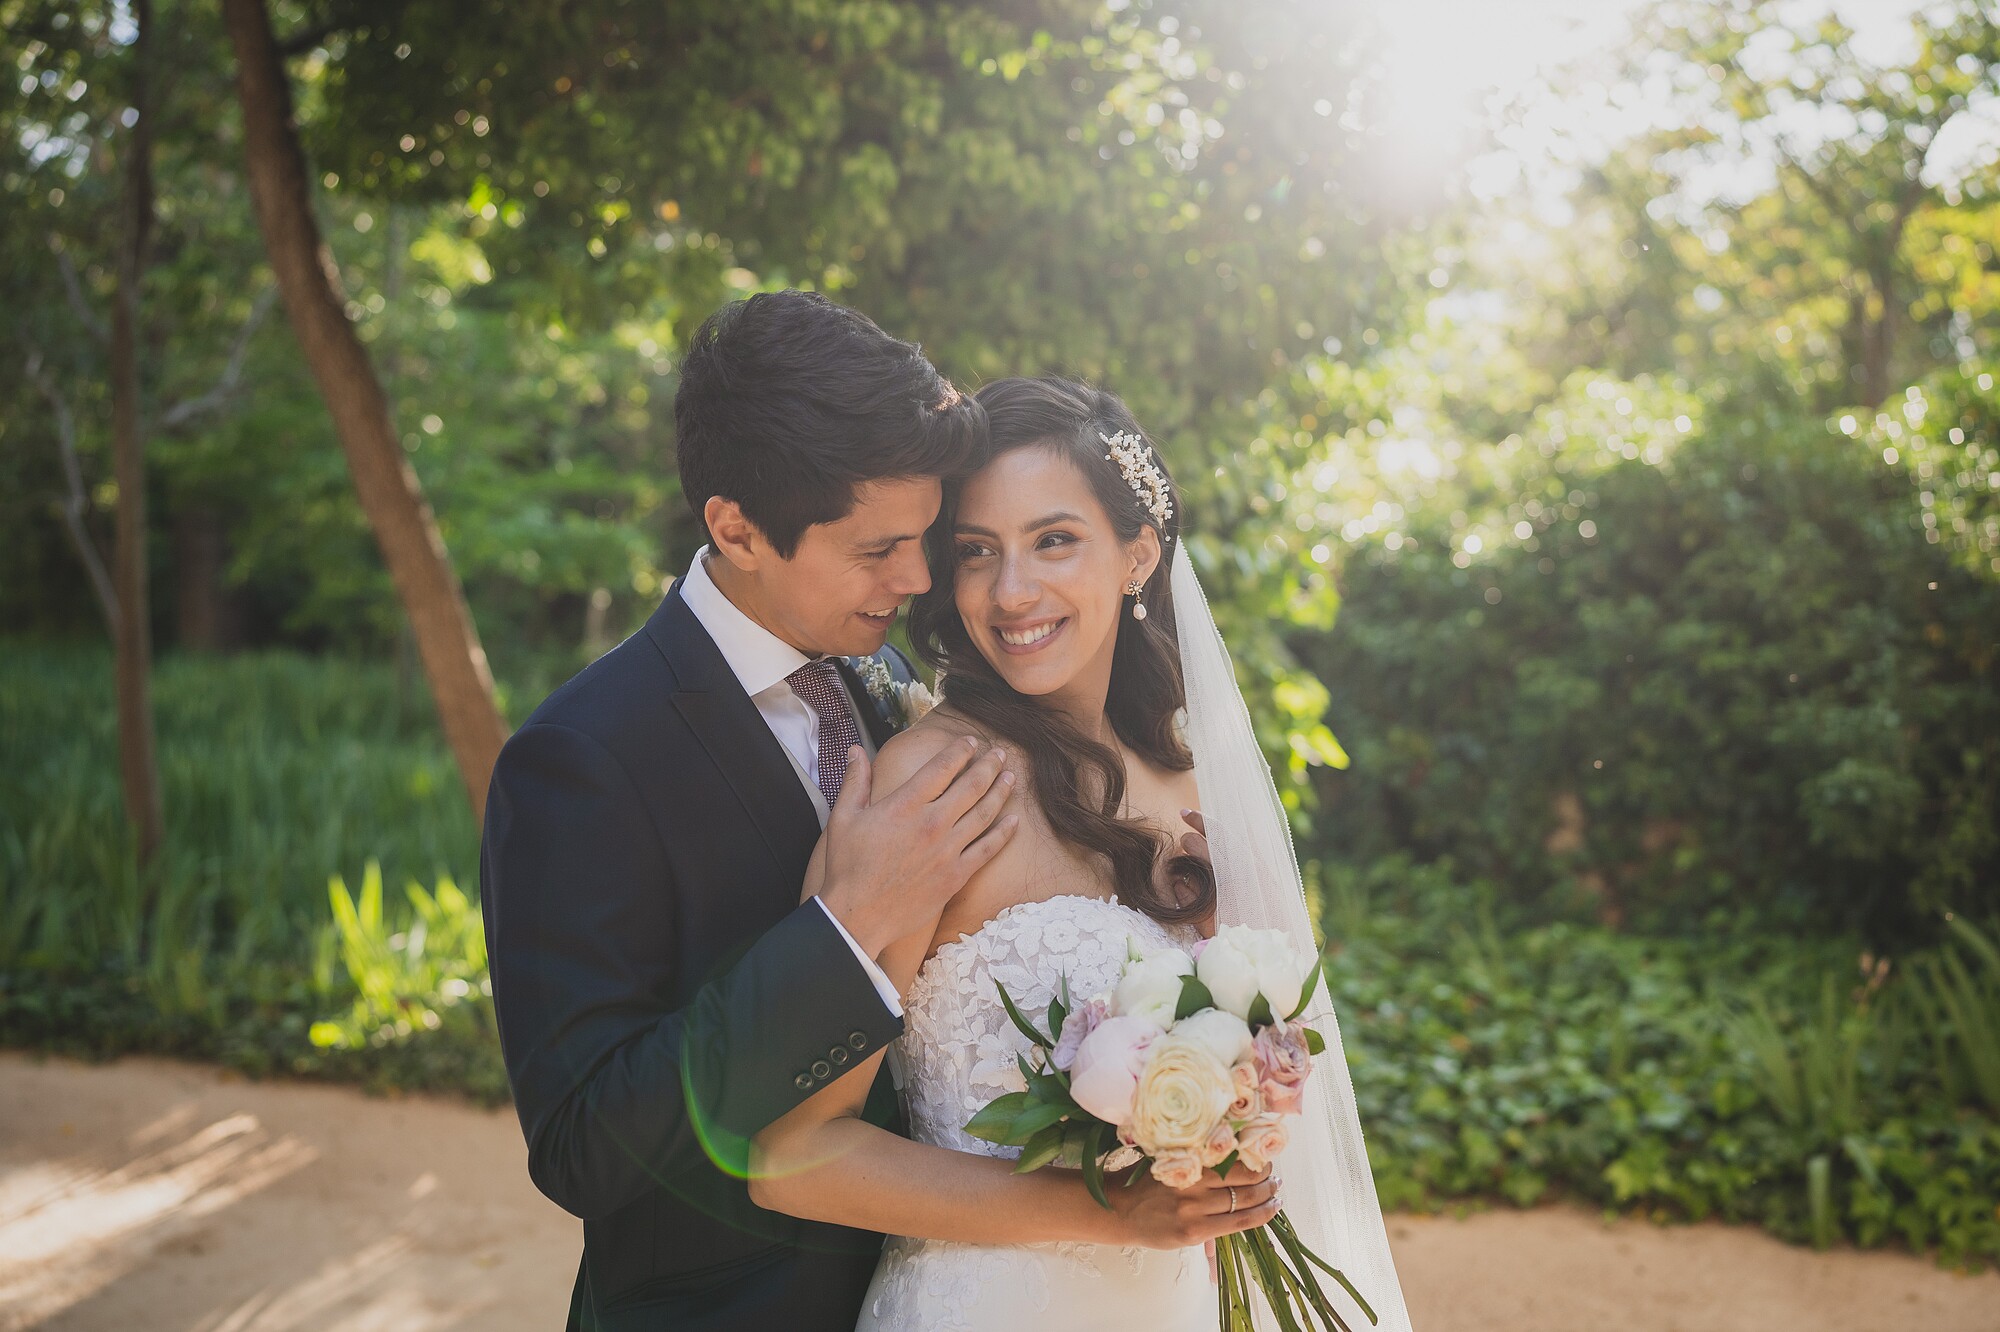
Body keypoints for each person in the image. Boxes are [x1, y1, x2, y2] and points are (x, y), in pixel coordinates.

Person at [482, 297, 1278, 1332]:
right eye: (881, 549)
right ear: (736, 529)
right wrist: (843, 928)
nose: (921, 579)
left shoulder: (887, 681)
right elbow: (584, 1145)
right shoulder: (585, 756)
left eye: (927, 541)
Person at [750, 377, 1415, 1331]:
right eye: (976, 551)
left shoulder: (1188, 783)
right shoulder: (933, 790)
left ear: (1138, 553)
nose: (1011, 592)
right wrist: (1108, 1212)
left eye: (1053, 540)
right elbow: (792, 1156)